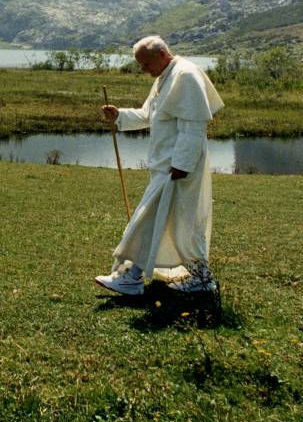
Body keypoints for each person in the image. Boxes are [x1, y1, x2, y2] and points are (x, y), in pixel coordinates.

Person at [95, 35, 225, 295]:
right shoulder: (164, 77)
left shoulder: (185, 76)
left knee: (160, 220)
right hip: (166, 167)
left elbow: (194, 126)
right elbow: (148, 115)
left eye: (145, 64)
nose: (144, 71)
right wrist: (120, 115)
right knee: (171, 222)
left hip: (178, 169)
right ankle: (197, 276)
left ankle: (133, 276)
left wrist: (182, 165)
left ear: (161, 55)